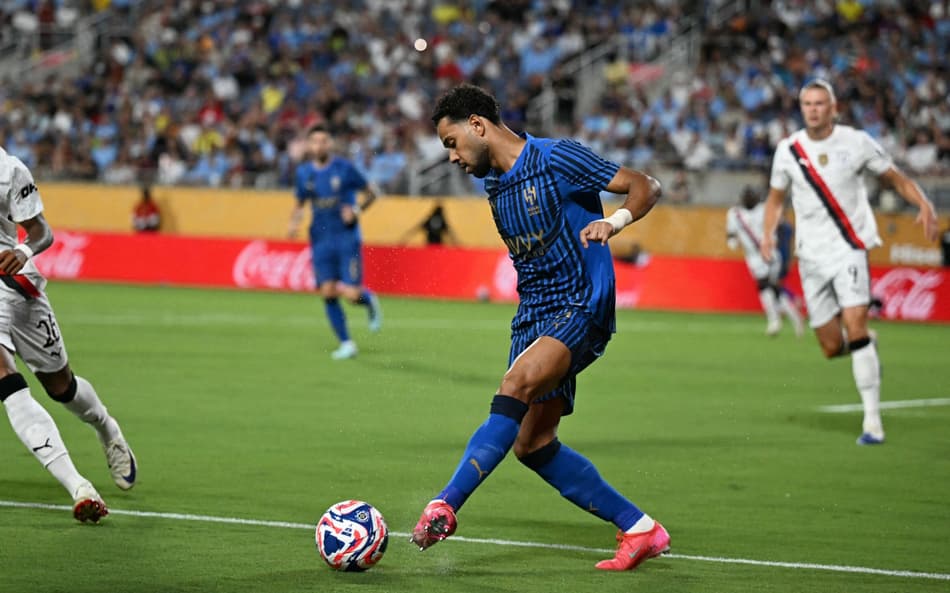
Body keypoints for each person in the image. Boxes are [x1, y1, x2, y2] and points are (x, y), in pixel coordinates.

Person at [411, 83, 667, 571]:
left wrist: (615, 222)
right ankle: (641, 529)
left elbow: (646, 185)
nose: (451, 157)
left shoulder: (557, 158)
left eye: (452, 143)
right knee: (531, 444)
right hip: (534, 314)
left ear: (478, 126)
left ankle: (445, 504)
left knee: (515, 385)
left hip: (581, 303)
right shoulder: (494, 185)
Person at [761, 79, 938, 446]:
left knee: (854, 327)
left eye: (820, 103)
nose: (813, 109)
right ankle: (865, 345)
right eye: (807, 103)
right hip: (811, 256)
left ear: (834, 108)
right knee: (830, 346)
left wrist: (922, 202)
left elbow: (894, 177)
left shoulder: (855, 142)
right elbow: (776, 199)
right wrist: (767, 235)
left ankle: (873, 423)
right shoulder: (788, 150)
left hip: (850, 247)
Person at [0, 145, 137, 523]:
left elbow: (42, 232)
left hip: (17, 284)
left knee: (62, 388)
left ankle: (107, 428)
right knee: (5, 380)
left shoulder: (10, 170)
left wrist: (24, 251)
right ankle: (79, 487)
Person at [287, 124, 383, 360]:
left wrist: (357, 210)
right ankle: (347, 343)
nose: (319, 145)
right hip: (320, 239)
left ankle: (368, 300)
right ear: (309, 145)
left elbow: (373, 191)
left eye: (323, 140)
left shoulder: (344, 168)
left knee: (351, 295)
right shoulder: (304, 173)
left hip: (346, 237)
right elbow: (300, 202)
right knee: (328, 291)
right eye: (315, 141)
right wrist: (294, 222)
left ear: (329, 143)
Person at [726, 186, 804, 337]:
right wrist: (734, 242)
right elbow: (730, 236)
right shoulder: (735, 214)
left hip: (770, 252)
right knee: (773, 289)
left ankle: (774, 320)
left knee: (764, 285)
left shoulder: (765, 209)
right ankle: (794, 317)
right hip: (753, 257)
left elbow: (782, 225)